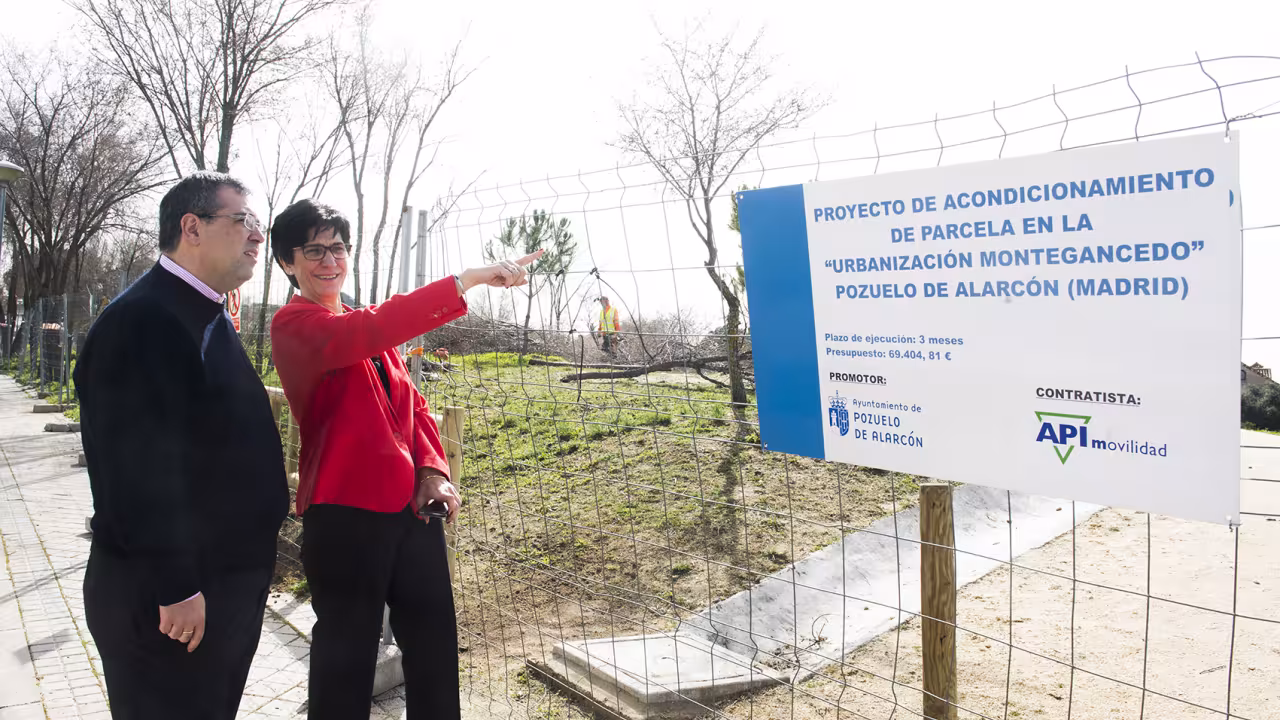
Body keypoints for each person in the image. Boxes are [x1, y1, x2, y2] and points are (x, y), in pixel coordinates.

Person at [268, 198, 540, 720]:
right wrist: (465, 281)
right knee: (346, 654)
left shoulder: (364, 327)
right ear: (287, 262)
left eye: (338, 248)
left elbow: (413, 405)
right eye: (314, 251)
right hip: (344, 512)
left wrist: (433, 471)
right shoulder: (295, 324)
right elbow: (367, 331)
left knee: (434, 642)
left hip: (411, 512)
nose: (330, 261)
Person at [74, 172, 290, 720]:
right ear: (191, 228)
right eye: (242, 220)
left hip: (218, 585)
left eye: (257, 223)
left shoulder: (203, 311)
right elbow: (137, 470)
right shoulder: (144, 320)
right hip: (170, 602)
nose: (257, 235)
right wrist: (175, 586)